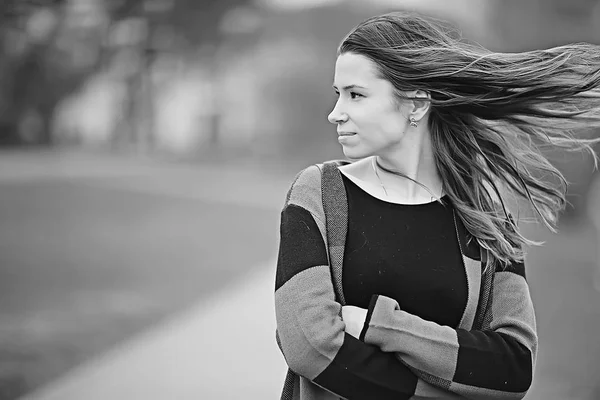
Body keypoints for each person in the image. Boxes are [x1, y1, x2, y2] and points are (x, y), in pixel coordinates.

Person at [274, 11, 600, 400]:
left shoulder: (486, 215)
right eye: (337, 93)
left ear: (415, 104)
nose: (335, 113)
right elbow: (309, 345)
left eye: (356, 94)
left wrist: (380, 326)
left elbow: (513, 367)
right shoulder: (319, 193)